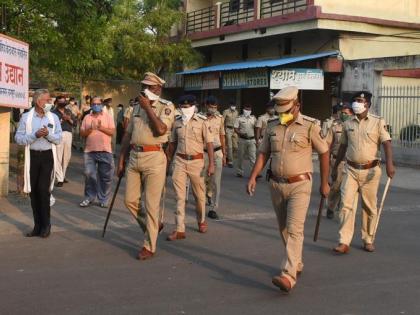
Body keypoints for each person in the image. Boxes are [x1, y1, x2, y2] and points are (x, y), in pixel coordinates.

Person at [247, 86, 330, 293]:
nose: (282, 114)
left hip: (300, 185)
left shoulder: (310, 126)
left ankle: (288, 274)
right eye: (279, 111)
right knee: (283, 228)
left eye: (286, 110)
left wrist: (325, 182)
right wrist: (253, 176)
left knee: (294, 229)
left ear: (297, 106)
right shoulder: (272, 126)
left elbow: (324, 152)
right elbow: (263, 153)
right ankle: (297, 262)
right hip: (275, 184)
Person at [117, 72, 175, 261]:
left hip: (154, 157)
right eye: (144, 86)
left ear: (158, 89)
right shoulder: (135, 106)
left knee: (151, 204)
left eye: (149, 87)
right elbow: (127, 134)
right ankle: (152, 226)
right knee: (130, 200)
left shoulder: (166, 107)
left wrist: (148, 108)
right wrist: (121, 159)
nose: (145, 90)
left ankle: (149, 245)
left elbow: (160, 130)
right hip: (135, 156)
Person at [332, 91, 395, 254]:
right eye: (355, 100)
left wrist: (390, 165)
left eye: (360, 100)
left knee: (369, 207)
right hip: (351, 169)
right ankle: (344, 241)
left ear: (368, 104)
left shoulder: (378, 122)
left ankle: (368, 239)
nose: (356, 103)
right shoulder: (348, 124)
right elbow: (343, 147)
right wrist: (335, 166)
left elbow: (387, 143)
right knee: (346, 205)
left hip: (371, 171)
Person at [166, 94, 215, 241]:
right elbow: (172, 144)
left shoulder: (202, 121)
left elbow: (209, 144)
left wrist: (211, 163)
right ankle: (179, 228)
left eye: (187, 106)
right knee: (179, 197)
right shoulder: (177, 122)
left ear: (194, 106)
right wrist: (167, 163)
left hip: (197, 162)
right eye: (182, 106)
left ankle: (201, 220)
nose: (184, 109)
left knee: (199, 196)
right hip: (180, 161)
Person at [15, 89, 62, 238]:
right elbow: (19, 138)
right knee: (33, 191)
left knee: (43, 190)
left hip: (47, 156)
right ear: (38, 101)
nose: (49, 103)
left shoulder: (53, 117)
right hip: (32, 156)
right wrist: (34, 135)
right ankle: (37, 226)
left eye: (49, 100)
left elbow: (59, 138)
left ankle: (46, 225)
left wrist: (48, 135)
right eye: (47, 100)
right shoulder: (26, 117)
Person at [79, 97, 115, 208]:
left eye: (98, 103)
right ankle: (89, 197)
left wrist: (100, 127)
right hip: (90, 151)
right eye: (93, 103)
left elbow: (112, 132)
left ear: (102, 104)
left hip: (105, 150)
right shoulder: (87, 117)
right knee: (90, 175)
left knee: (105, 177)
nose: (96, 105)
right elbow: (82, 133)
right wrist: (90, 128)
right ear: (91, 105)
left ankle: (103, 199)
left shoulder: (108, 117)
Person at [324, 104, 352, 219]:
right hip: (337, 161)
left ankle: (343, 209)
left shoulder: (354, 126)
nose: (343, 115)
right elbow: (327, 145)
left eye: (346, 113)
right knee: (336, 186)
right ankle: (331, 206)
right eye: (342, 112)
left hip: (350, 161)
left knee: (348, 188)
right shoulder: (335, 126)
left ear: (351, 113)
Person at [204, 96, 226, 220]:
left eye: (215, 107)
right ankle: (204, 199)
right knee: (203, 180)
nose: (213, 109)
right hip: (204, 153)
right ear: (206, 106)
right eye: (211, 107)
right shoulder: (200, 118)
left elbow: (222, 136)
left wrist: (224, 154)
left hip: (217, 152)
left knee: (216, 181)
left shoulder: (220, 118)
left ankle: (213, 208)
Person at [53, 95, 76, 187]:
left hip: (68, 134)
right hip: (59, 134)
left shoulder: (68, 111)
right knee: (58, 156)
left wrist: (69, 119)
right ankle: (60, 179)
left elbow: (75, 123)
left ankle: (62, 175)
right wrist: (62, 119)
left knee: (67, 156)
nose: (62, 103)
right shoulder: (53, 113)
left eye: (64, 101)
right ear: (57, 102)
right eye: (60, 101)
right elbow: (52, 125)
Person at [234, 104, 256, 178]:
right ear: (243, 110)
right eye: (246, 109)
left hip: (252, 140)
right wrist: (240, 133)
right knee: (241, 156)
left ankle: (254, 173)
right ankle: (240, 172)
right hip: (242, 140)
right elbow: (236, 128)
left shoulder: (253, 118)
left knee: (253, 157)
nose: (247, 111)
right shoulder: (239, 118)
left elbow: (257, 128)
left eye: (249, 110)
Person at [222, 100, 239, 167]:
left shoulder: (236, 112)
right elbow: (222, 121)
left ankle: (228, 156)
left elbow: (237, 121)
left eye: (234, 105)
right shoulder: (226, 111)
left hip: (234, 130)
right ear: (229, 105)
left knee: (236, 147)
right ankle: (230, 162)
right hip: (228, 129)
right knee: (229, 146)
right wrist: (222, 130)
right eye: (232, 105)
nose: (233, 106)